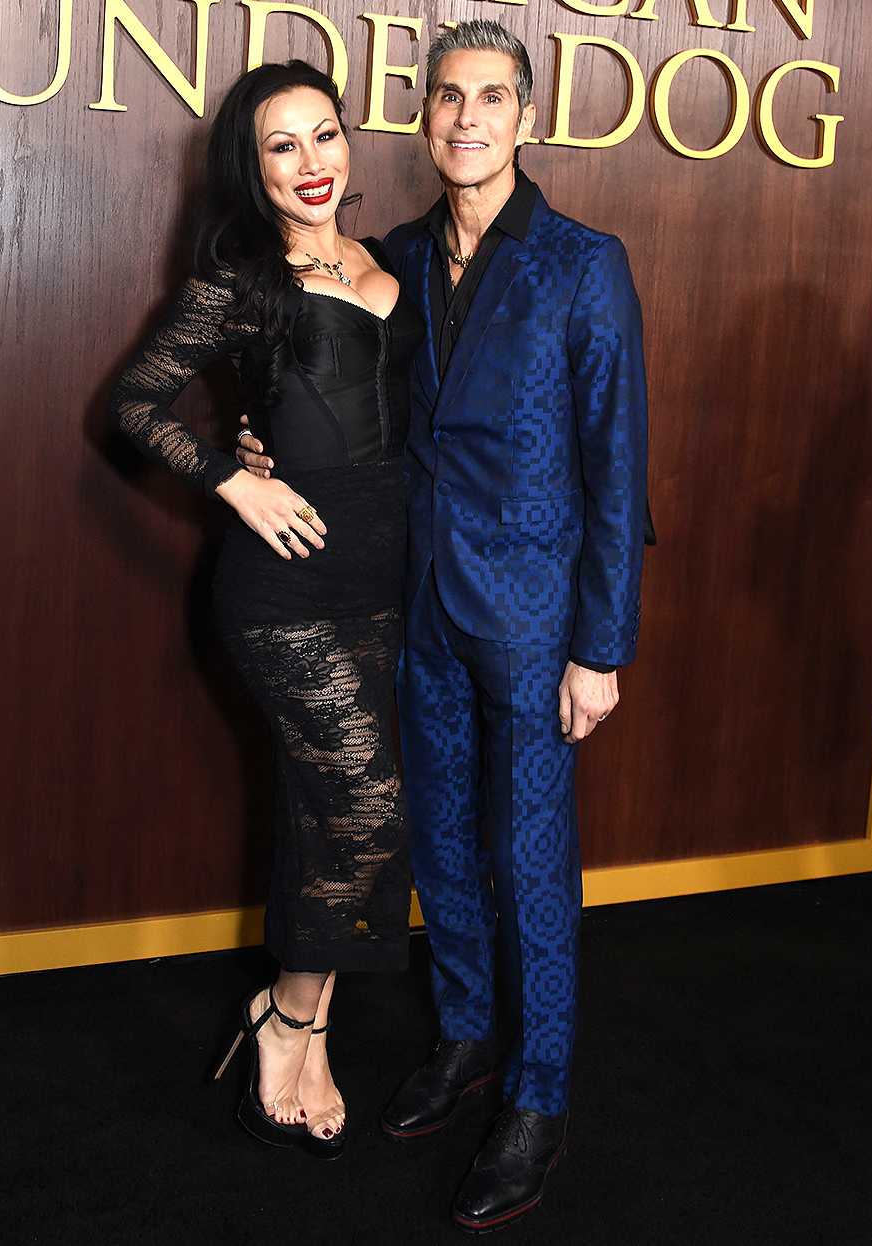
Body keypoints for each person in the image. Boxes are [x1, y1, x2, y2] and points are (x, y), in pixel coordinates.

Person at [239, 20, 648, 1227]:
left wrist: (601, 644)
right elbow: (337, 397)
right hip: (412, 601)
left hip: (533, 621)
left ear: (527, 118)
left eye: (491, 99)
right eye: (444, 101)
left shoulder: (584, 264)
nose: (465, 119)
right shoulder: (396, 256)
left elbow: (615, 466)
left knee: (530, 864)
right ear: (423, 123)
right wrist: (260, 445)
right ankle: (467, 1035)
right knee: (442, 846)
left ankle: (537, 1093)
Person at [107, 60, 424, 1159]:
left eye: (324, 135)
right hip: (283, 593)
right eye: (280, 145)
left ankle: (303, 1026)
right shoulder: (242, 278)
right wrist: (235, 477)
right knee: (370, 812)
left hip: (385, 584)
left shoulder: (395, 264)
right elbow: (136, 402)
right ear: (250, 167)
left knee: (322, 811)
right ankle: (291, 1012)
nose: (310, 163)